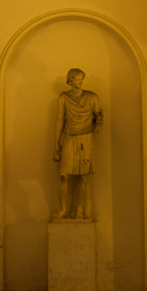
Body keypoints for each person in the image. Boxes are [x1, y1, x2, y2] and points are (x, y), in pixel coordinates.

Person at [53, 67, 103, 220]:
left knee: (83, 177)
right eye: (76, 79)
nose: (80, 81)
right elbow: (60, 120)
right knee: (64, 175)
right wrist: (56, 142)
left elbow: (98, 115)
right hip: (69, 136)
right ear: (70, 81)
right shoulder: (63, 98)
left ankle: (79, 210)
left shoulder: (91, 97)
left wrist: (98, 125)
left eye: (81, 79)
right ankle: (63, 210)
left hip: (86, 138)